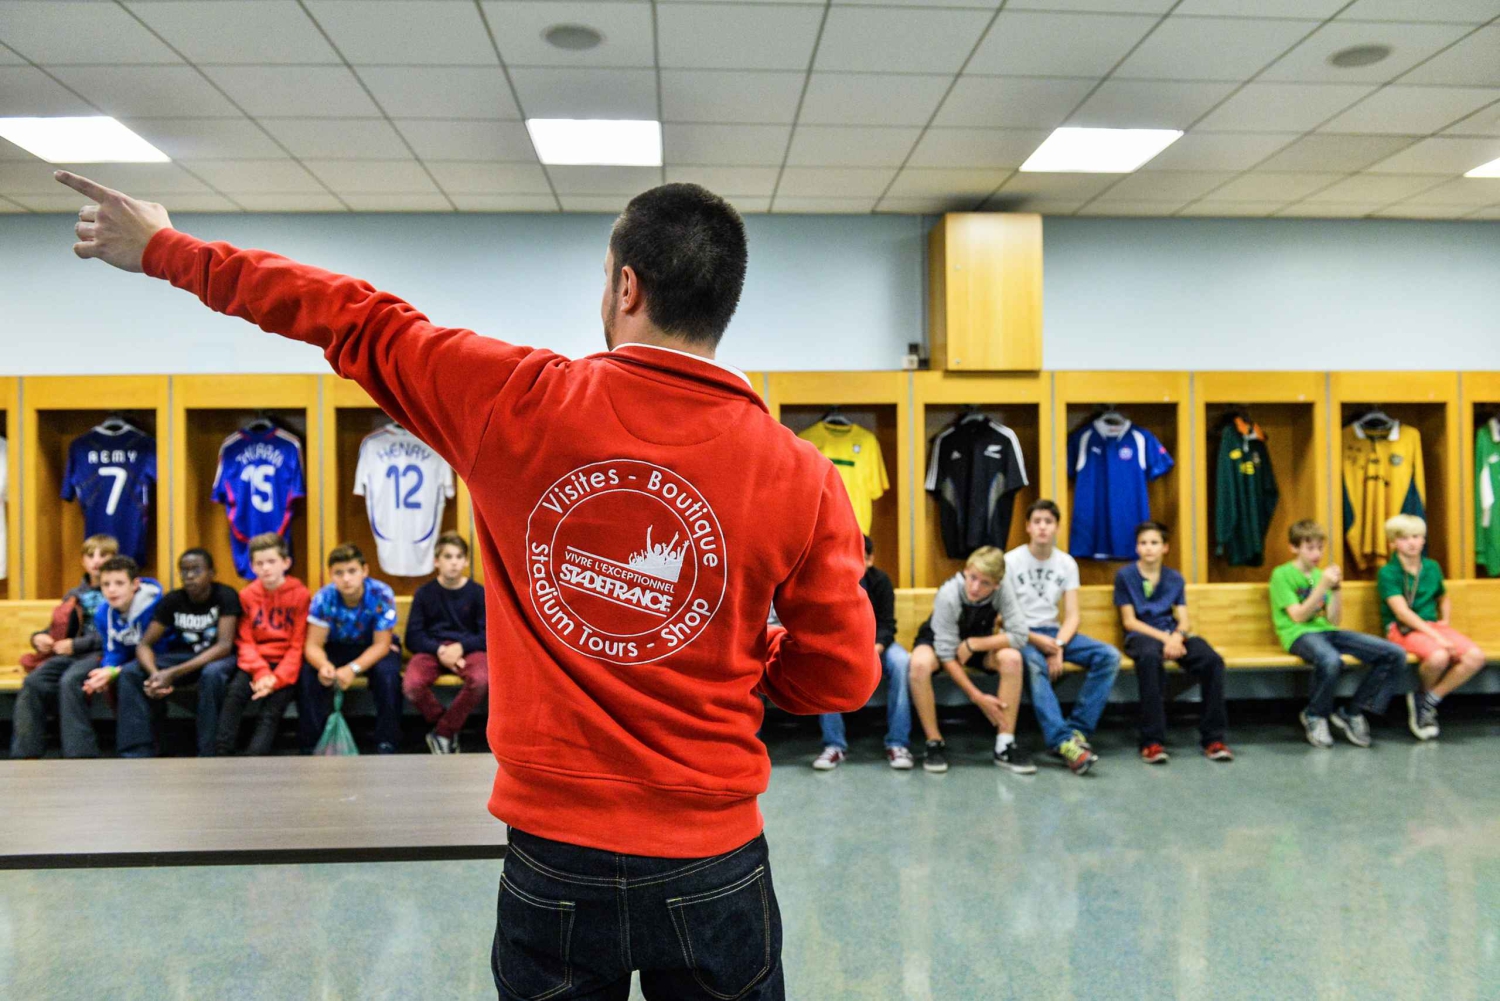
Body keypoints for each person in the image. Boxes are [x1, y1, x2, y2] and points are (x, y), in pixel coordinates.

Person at [60, 171, 877, 1000]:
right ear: (722, 303)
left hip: (555, 853)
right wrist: (743, 656)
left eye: (606, 275)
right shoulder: (803, 475)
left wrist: (168, 249)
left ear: (627, 285)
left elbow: (349, 314)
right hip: (715, 856)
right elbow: (841, 676)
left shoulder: (514, 399)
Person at [1006, 500, 1121, 776]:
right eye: (1037, 521)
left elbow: (1072, 616)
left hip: (1054, 633)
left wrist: (1057, 645)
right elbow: (1005, 617)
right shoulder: (1011, 561)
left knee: (1109, 656)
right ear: (1028, 527)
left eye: (1048, 521)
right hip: (1022, 635)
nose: (1042, 527)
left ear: (1057, 527)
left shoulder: (1066, 563)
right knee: (1035, 667)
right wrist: (1038, 641)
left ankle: (1077, 730)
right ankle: (1063, 743)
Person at [1269, 520, 1407, 748]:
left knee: (1393, 654)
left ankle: (1353, 712)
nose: (1317, 554)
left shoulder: (1317, 575)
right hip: (1298, 634)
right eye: (1310, 548)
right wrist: (1322, 586)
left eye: (1320, 548)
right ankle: (1315, 715)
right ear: (1295, 548)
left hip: (1327, 631)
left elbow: (1333, 620)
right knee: (1331, 659)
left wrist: (1336, 590)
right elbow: (1298, 616)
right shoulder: (1282, 575)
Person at [907, 546, 1033, 775]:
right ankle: (934, 741)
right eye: (972, 578)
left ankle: (1004, 744)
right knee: (918, 665)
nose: (975, 587)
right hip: (939, 641)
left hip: (975, 642)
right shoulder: (949, 593)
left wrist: (975, 644)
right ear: (966, 571)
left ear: (996, 584)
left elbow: (1020, 635)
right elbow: (946, 654)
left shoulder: (1003, 591)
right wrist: (977, 697)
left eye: (985, 583)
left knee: (1012, 659)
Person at [1114, 521, 1232, 764]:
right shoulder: (1125, 576)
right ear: (1136, 548)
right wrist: (1166, 639)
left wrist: (1177, 637)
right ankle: (1152, 741)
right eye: (1143, 543)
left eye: (1154, 543)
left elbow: (1184, 620)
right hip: (1142, 636)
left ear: (1165, 548)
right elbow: (1129, 621)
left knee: (1212, 661)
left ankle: (1213, 739)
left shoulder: (1174, 578)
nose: (1149, 548)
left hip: (1172, 634)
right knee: (1149, 659)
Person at [117, 548, 242, 757]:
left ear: (211, 573)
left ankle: (208, 752)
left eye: (196, 570)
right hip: (183, 657)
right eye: (184, 571)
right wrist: (155, 673)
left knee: (212, 675)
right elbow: (144, 645)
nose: (189, 576)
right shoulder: (173, 600)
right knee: (130, 672)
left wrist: (173, 673)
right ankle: (137, 752)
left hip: (218, 657)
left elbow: (224, 646)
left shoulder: (225, 596)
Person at [1378, 514, 1485, 741]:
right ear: (1393, 543)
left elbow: (1443, 597)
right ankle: (1423, 704)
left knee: (1475, 656)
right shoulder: (1388, 572)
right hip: (1402, 629)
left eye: (1417, 537)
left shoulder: (1432, 567)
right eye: (1405, 538)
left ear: (1423, 540)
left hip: (1432, 626)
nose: (1412, 542)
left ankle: (1427, 700)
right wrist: (1438, 637)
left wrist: (1444, 621)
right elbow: (1402, 614)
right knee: (1438, 656)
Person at [9, 534, 117, 758]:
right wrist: (38, 639)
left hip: (102, 654)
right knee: (34, 681)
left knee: (71, 680)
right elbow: (55, 629)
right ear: (82, 561)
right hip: (70, 655)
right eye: (90, 555)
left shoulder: (116, 591)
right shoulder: (74, 595)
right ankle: (24, 754)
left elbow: (116, 633)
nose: (96, 560)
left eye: (104, 554)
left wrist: (76, 645)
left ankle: (79, 754)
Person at [812, 535, 913, 770]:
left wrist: (874, 650)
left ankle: (898, 743)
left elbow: (888, 625)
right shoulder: (833, 582)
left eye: (861, 558)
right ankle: (834, 745)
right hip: (844, 647)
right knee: (824, 664)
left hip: (878, 646)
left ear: (870, 559)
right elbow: (828, 625)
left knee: (901, 662)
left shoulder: (881, 581)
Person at [301, 543, 402, 754]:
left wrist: (352, 669)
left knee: (388, 675)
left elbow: (382, 645)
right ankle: (312, 743)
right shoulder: (323, 598)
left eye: (352, 571)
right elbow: (312, 645)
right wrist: (324, 665)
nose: (346, 578)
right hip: (336, 647)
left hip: (373, 647)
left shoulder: (381, 594)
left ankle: (387, 741)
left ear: (364, 571)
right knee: (308, 674)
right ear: (330, 574)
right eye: (339, 573)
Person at [216, 533, 310, 755]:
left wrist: (274, 680)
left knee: (271, 711)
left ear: (286, 563)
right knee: (234, 696)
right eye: (259, 563)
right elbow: (245, 640)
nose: (266, 568)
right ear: (252, 567)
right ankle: (220, 753)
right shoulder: (247, 595)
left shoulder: (301, 595)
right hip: (254, 664)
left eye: (271, 562)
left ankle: (255, 757)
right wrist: (260, 673)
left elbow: (298, 645)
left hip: (285, 667)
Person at [403, 531, 488, 755]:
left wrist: (460, 647)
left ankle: (442, 733)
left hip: (468, 650)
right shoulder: (424, 593)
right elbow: (413, 637)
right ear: (436, 561)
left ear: (466, 561)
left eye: (459, 557)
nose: (453, 562)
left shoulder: (478, 593)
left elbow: (487, 634)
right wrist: (440, 650)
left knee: (481, 680)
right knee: (411, 684)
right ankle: (448, 728)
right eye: (448, 557)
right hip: (432, 649)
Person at [77, 555, 165, 752]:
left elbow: (159, 648)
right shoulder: (103, 613)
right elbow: (114, 650)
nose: (111, 590)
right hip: (134, 661)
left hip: (164, 656)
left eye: (119, 583)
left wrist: (116, 671)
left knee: (129, 674)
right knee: (105, 676)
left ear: (135, 584)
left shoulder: (156, 607)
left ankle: (136, 751)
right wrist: (106, 669)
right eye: (106, 584)